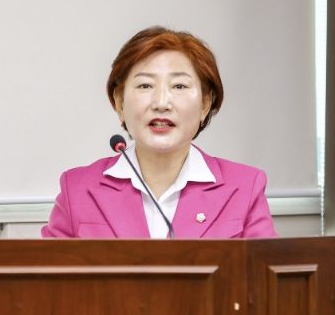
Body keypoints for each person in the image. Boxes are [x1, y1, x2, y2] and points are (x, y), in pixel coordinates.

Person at [41, 26, 277, 239]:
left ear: (205, 104)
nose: (162, 103)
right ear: (120, 103)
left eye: (179, 86)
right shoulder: (78, 189)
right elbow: (47, 273)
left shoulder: (245, 188)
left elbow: (263, 272)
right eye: (145, 85)